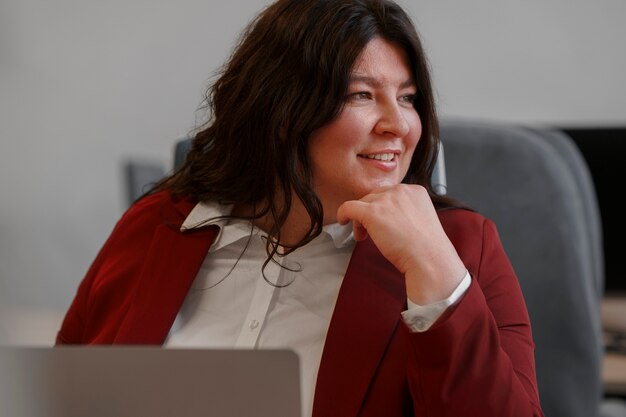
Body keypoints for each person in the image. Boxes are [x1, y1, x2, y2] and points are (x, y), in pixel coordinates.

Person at [56, 0, 545, 416]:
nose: (399, 125)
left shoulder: (460, 247)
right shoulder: (158, 224)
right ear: (283, 108)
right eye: (362, 95)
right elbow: (64, 394)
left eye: (409, 98)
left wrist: (436, 278)